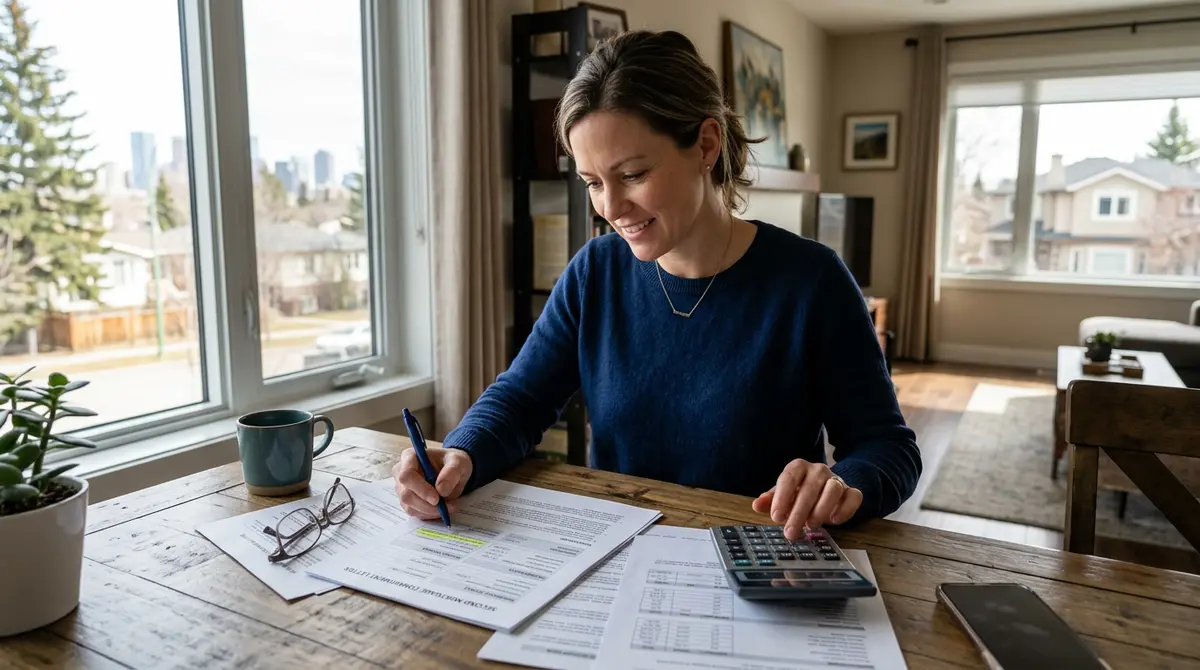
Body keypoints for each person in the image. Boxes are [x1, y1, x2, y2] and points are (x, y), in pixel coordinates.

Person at [393, 29, 921, 542]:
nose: (611, 209)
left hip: (756, 565)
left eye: (633, 175)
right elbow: (521, 399)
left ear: (706, 144)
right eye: (594, 184)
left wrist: (846, 483)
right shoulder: (595, 272)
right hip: (614, 556)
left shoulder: (813, 282)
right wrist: (462, 452)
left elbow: (888, 448)